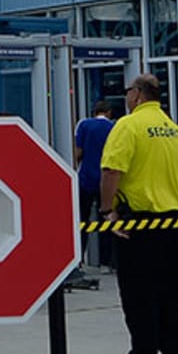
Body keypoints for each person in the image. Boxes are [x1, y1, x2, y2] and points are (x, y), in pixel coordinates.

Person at [100, 74, 178, 354]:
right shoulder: (177, 132)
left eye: (128, 91)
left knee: (139, 298)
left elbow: (112, 171)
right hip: (173, 221)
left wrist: (107, 211)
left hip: (139, 224)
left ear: (137, 94)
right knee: (171, 296)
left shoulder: (128, 126)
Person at [74, 101, 114, 270]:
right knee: (107, 220)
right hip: (107, 180)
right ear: (109, 112)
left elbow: (78, 152)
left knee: (81, 221)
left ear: (94, 112)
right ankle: (107, 261)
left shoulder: (84, 125)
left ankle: (79, 259)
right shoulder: (114, 127)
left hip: (86, 179)